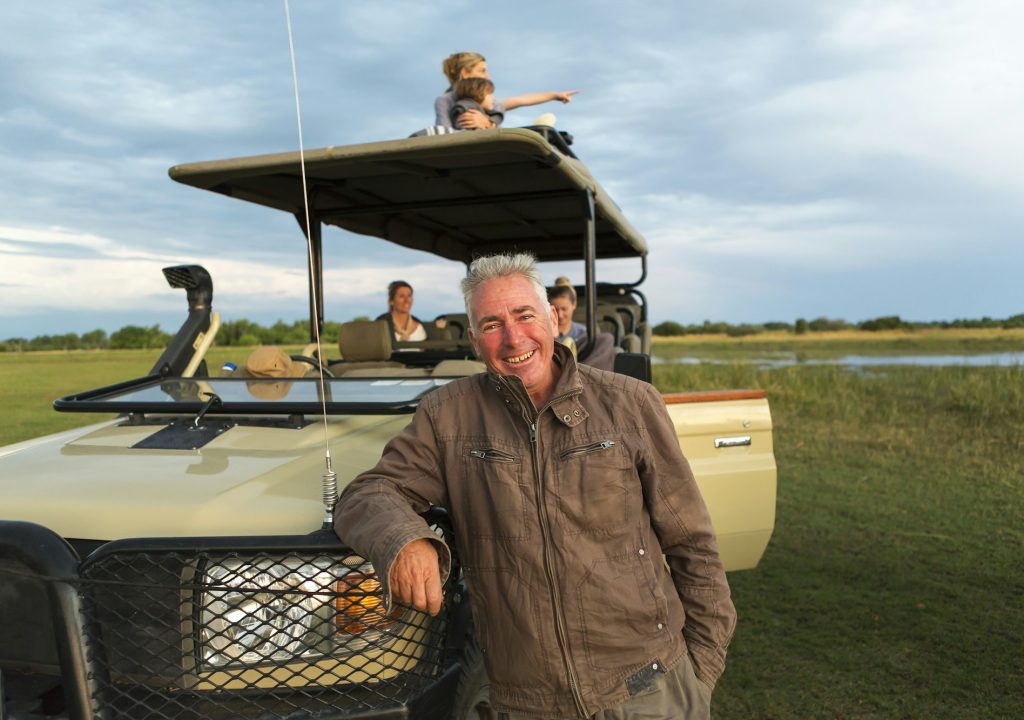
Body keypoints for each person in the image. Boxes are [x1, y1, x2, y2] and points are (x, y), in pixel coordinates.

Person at [334, 253, 735, 719]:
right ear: (473, 340)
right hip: (528, 703)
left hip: (649, 687)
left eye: (525, 315)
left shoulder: (629, 403)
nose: (513, 338)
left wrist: (700, 671)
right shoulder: (447, 416)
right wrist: (405, 541)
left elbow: (694, 544)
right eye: (491, 324)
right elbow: (368, 493)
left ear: (552, 318)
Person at [434, 51, 579, 130]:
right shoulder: (445, 101)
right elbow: (442, 133)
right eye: (482, 71)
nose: (488, 76)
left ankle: (541, 132)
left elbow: (521, 99)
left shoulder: (489, 101)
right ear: (465, 73)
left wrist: (554, 95)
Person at [548, 277, 587, 344]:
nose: (560, 315)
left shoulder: (584, 333)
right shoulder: (544, 333)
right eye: (555, 310)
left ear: (574, 304)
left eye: (564, 309)